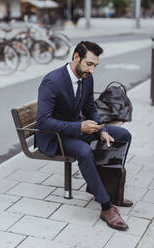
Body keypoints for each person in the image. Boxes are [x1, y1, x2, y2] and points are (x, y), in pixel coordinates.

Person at [36, 41, 133, 231]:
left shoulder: (87, 78)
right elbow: (43, 122)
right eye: (89, 64)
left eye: (96, 65)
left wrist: (102, 129)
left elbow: (90, 107)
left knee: (123, 135)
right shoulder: (52, 81)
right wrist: (79, 127)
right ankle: (106, 206)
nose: (93, 69)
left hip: (78, 127)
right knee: (83, 150)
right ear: (76, 57)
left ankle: (104, 189)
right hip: (55, 136)